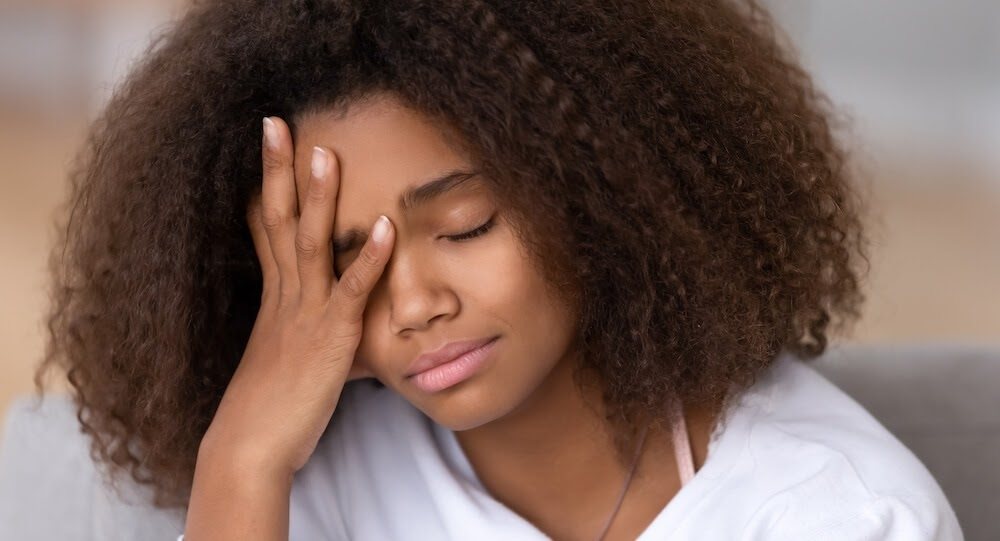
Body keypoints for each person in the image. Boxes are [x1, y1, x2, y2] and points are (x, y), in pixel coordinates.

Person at [32, 0, 962, 539]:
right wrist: (241, 456)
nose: (415, 304)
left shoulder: (837, 513)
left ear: (601, 190)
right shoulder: (312, 478)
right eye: (344, 265)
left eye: (467, 224)